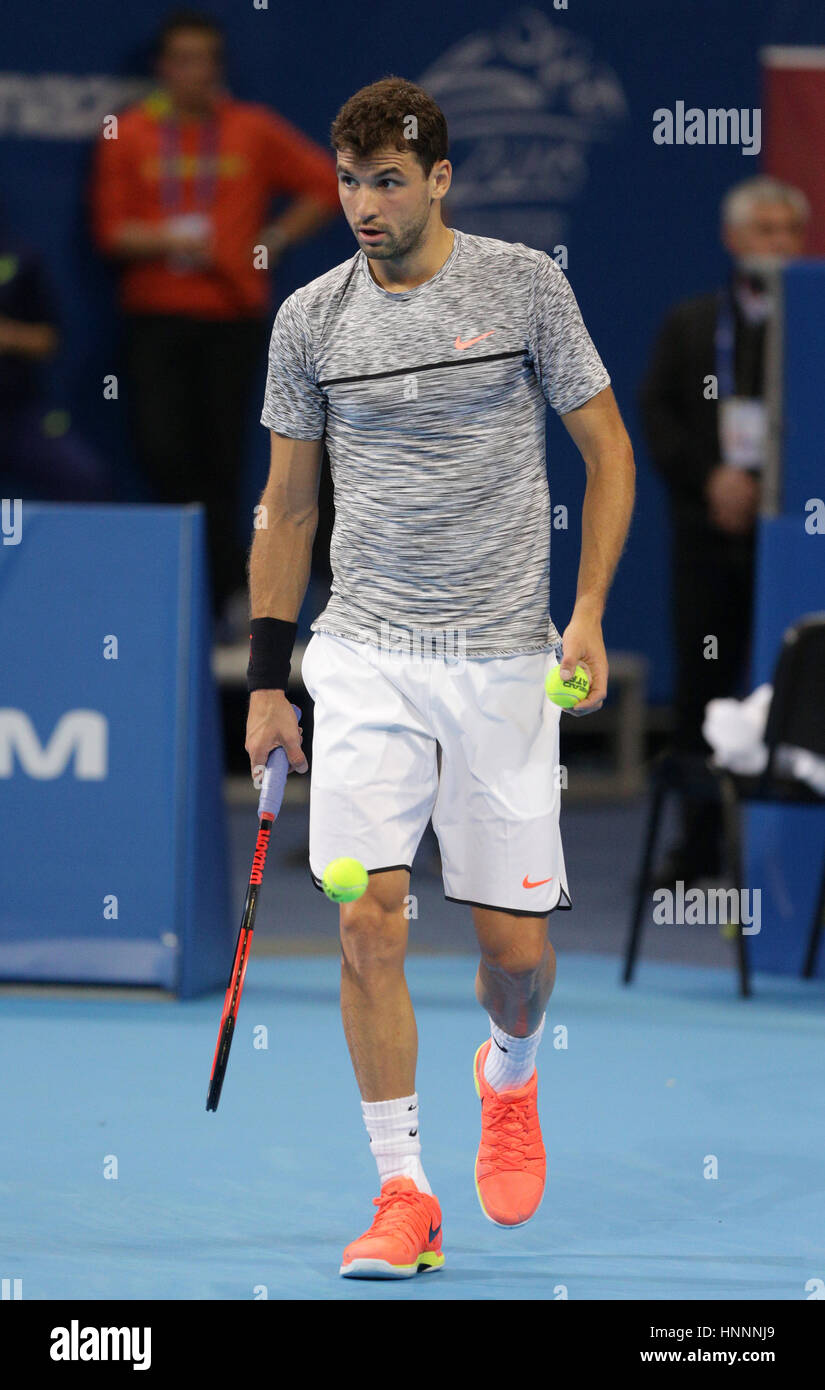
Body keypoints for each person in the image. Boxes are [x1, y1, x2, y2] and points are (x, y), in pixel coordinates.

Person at [245, 76, 634, 1279]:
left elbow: (610, 455)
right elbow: (291, 502)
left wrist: (589, 615)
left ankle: (507, 1075)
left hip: (507, 660)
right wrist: (272, 676)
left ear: (440, 179)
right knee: (369, 918)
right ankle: (403, 1192)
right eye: (349, 181)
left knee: (514, 958)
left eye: (388, 182)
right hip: (365, 652)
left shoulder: (523, 287)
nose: (363, 204)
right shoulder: (310, 318)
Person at [90, 9, 339, 622]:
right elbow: (110, 233)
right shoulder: (127, 131)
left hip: (231, 315)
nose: (192, 72)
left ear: (219, 68)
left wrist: (272, 239)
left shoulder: (251, 129)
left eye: (204, 60)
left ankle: (229, 597)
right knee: (163, 453)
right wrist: (170, 240)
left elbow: (327, 183)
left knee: (224, 457)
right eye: (180, 59)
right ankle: (194, 588)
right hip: (156, 317)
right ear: (161, 67)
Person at [640, 176, 809, 888]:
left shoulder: (812, 321)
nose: (777, 244)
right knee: (703, 690)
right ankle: (696, 849)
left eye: (788, 232)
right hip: (709, 536)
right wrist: (712, 478)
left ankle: (791, 862)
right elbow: (660, 415)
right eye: (763, 231)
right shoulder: (691, 323)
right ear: (733, 239)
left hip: (795, 543)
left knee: (795, 695)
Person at [0, 232, 110, 502]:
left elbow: (49, 340)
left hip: (17, 413)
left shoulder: (21, 257)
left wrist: (10, 336)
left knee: (85, 479)